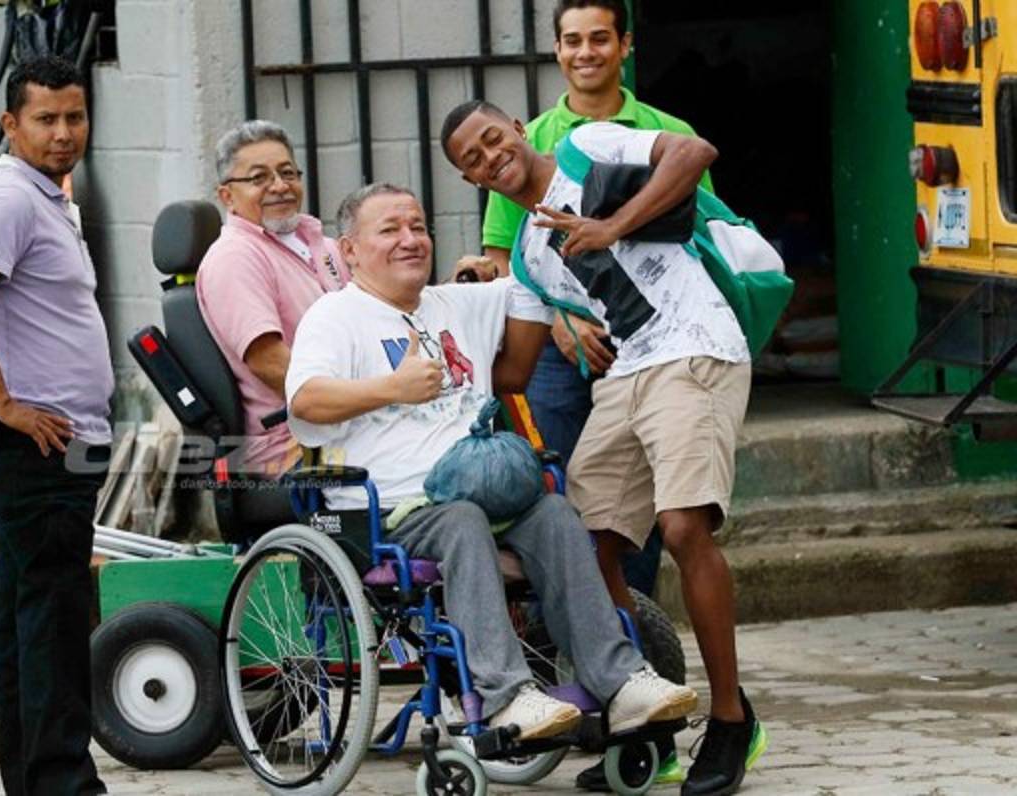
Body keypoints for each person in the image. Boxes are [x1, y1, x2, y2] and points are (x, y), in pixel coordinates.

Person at [285, 182, 698, 743]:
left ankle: (621, 682)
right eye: (390, 229)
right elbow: (305, 400)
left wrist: (495, 267)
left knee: (554, 513)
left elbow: (534, 284)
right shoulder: (335, 317)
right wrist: (391, 388)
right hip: (398, 507)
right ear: (350, 250)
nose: (410, 239)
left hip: (487, 490)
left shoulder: (458, 304)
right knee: (462, 521)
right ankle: (507, 695)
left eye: (418, 227)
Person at [442, 100, 767, 796]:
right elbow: (512, 371)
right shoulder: (528, 255)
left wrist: (609, 227)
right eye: (473, 160)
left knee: (682, 527)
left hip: (694, 346)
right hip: (626, 371)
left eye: (493, 139)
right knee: (586, 545)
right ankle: (646, 710)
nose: (491, 158)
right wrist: (435, 329)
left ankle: (732, 719)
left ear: (517, 131)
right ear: (471, 179)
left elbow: (694, 153)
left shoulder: (587, 146)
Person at [474, 0, 717, 614]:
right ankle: (573, 632)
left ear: (625, 45)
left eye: (600, 39)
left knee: (647, 506)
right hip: (556, 351)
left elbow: (700, 238)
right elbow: (505, 258)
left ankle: (639, 625)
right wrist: (560, 317)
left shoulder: (666, 129)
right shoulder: (521, 141)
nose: (586, 53)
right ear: (557, 50)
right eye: (573, 41)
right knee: (569, 495)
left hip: (652, 344)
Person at [0, 56, 110, 795]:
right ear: (11, 124)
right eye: (46, 119)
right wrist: (2, 399)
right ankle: (64, 783)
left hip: (56, 440)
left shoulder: (48, 196)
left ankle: (36, 783)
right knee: (54, 623)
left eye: (75, 116)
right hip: (40, 443)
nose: (63, 132)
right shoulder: (12, 197)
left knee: (25, 620)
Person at [196, 120, 349, 475]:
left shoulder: (321, 245)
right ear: (227, 196)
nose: (279, 186)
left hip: (346, 422)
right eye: (259, 178)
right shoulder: (235, 257)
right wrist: (366, 402)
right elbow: (270, 363)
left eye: (287, 173)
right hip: (296, 445)